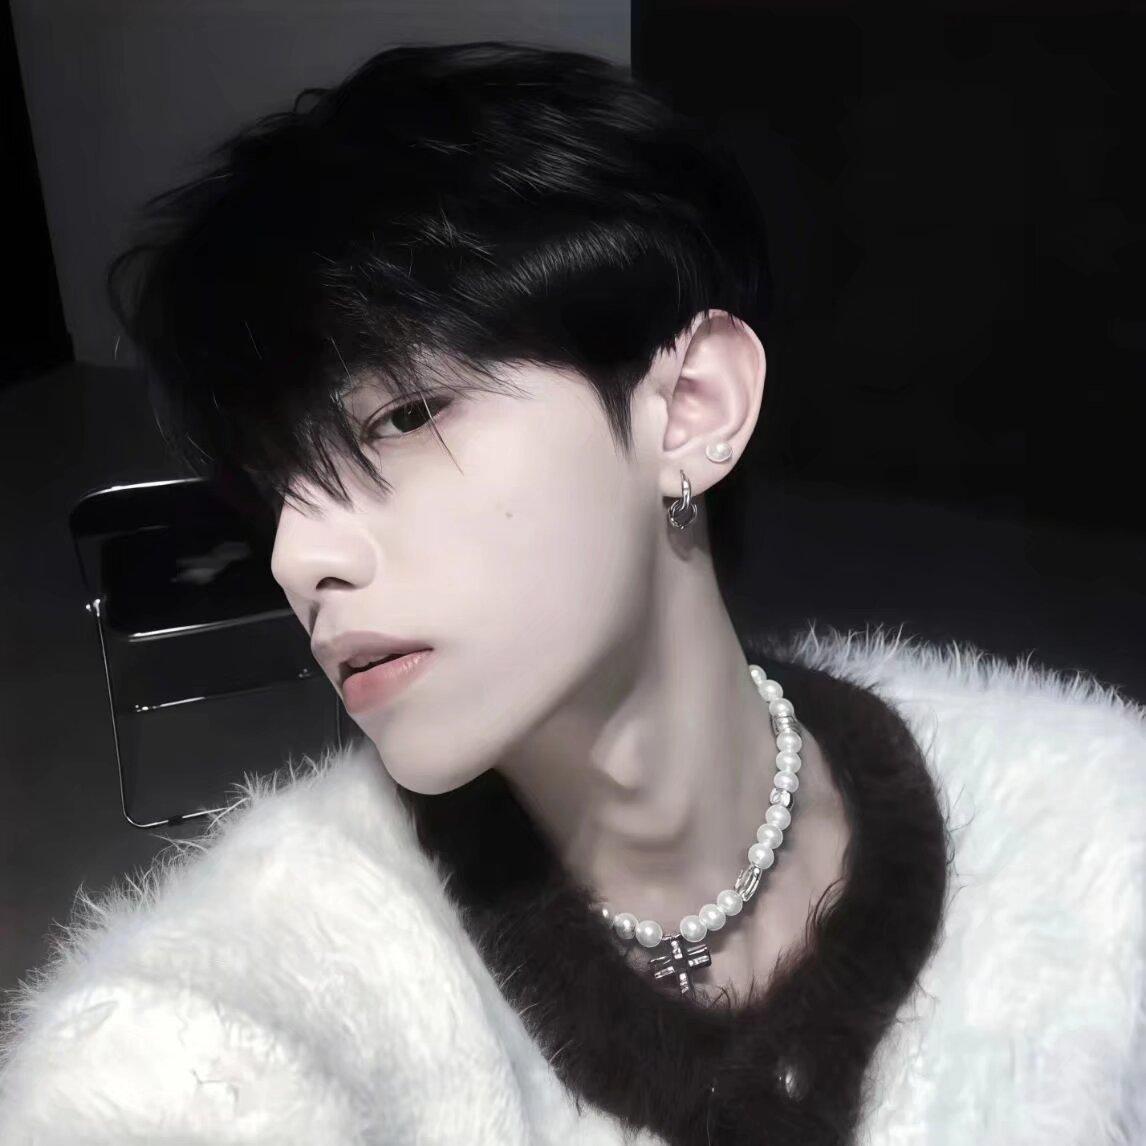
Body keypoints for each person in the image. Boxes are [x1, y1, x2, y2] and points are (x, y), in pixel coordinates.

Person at [2, 40, 1143, 1146]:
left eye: (403, 416)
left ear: (689, 408)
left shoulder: (1100, 847)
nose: (299, 557)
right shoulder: (238, 1003)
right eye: (275, 489)